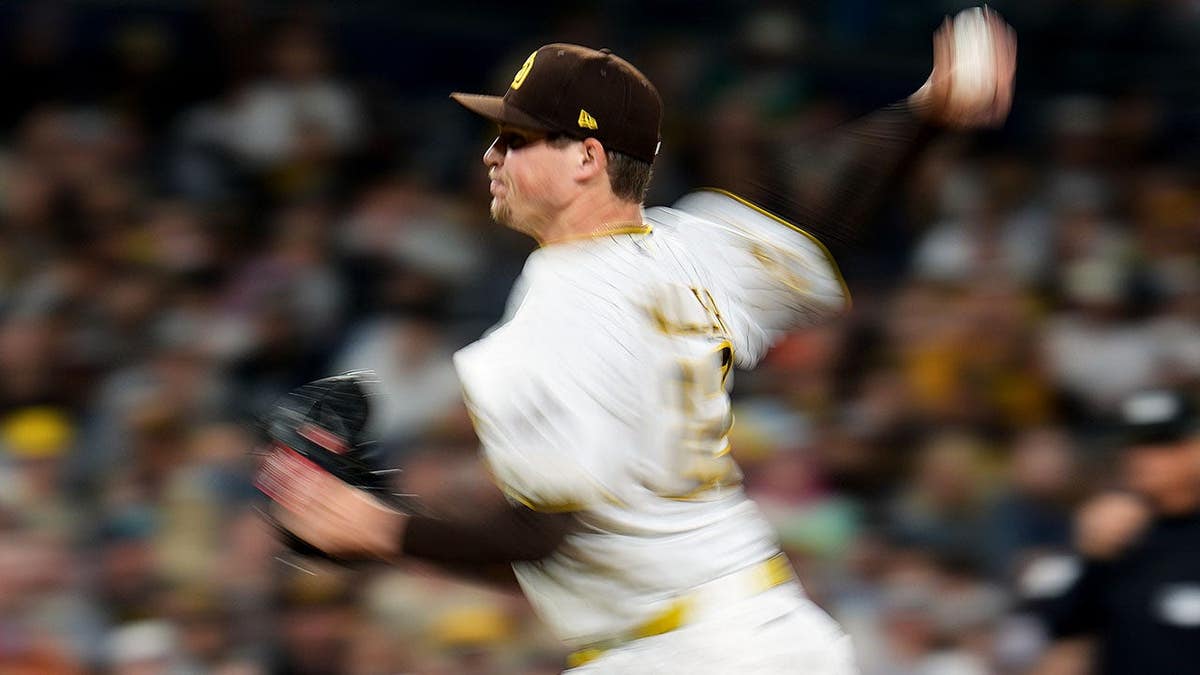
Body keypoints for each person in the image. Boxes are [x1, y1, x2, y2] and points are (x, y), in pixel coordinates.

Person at [262, 7, 1016, 673]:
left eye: (517, 138)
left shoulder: (551, 316)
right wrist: (926, 110)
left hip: (688, 651)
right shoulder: (688, 249)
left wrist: (376, 526)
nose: (493, 155)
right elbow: (824, 219)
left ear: (588, 158)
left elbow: (542, 533)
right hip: (766, 631)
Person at [1031, 388, 1200, 675]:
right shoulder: (1107, 528)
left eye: (1160, 442)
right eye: (1131, 444)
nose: (1141, 456)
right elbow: (1059, 627)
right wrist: (1093, 558)